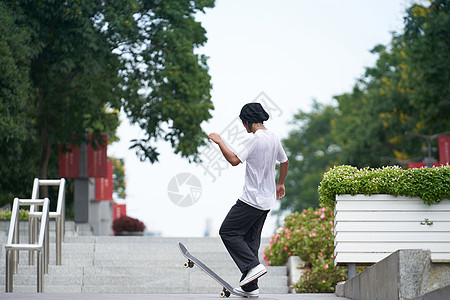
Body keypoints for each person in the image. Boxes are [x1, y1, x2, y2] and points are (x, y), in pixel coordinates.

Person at [208, 102, 289, 297]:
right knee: (251, 242)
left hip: (251, 200)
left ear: (248, 121)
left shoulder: (255, 139)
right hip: (267, 202)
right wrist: (280, 184)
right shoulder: (273, 137)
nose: (244, 128)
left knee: (228, 231)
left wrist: (220, 142)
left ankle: (253, 266)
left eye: (244, 124)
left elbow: (234, 160)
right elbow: (284, 162)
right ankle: (251, 288)